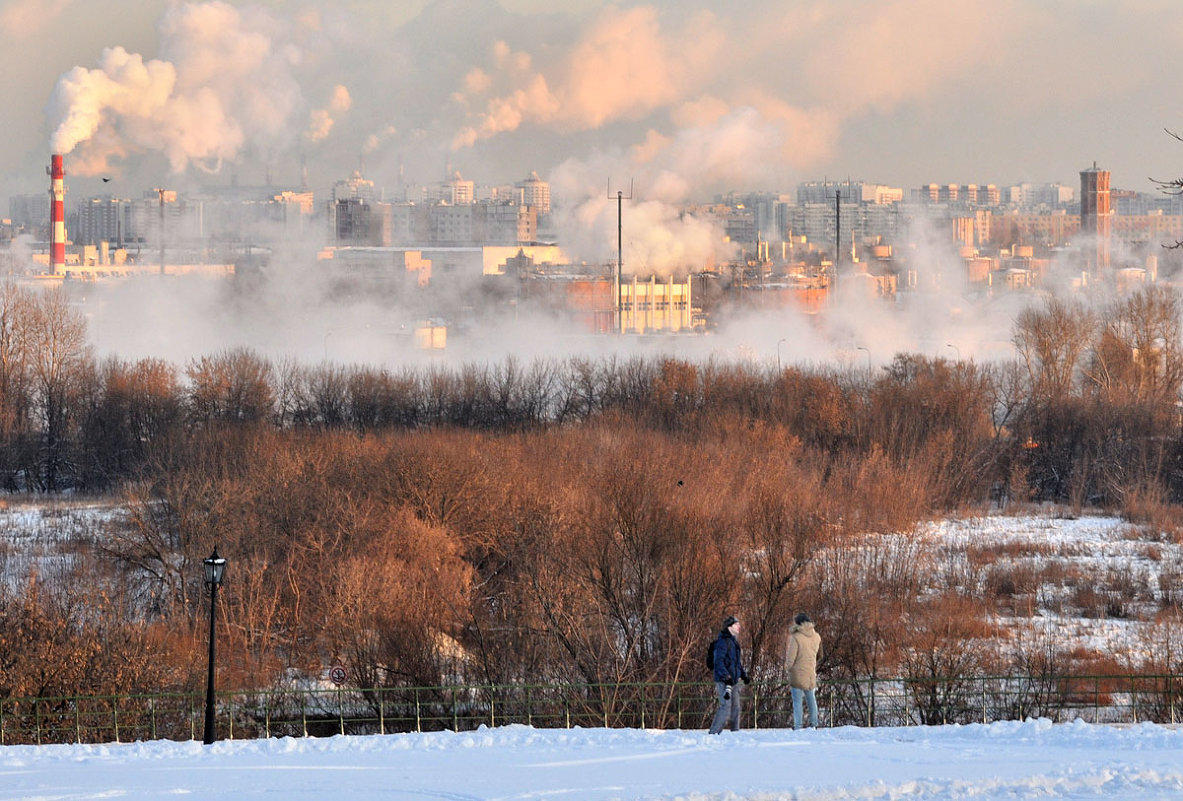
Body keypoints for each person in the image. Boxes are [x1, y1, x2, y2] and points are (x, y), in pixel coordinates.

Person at [708, 615, 750, 734]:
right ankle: (713, 734)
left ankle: (735, 733)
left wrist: (743, 674)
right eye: (736, 624)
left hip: (734, 681)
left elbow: (736, 663)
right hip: (723, 681)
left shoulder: (734, 642)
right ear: (729, 627)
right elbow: (718, 662)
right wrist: (726, 676)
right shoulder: (722, 642)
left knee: (736, 708)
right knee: (725, 707)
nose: (739, 627)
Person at [785, 612, 822, 729]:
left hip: (797, 673)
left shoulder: (796, 637)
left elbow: (791, 657)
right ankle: (814, 723)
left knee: (797, 702)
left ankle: (798, 725)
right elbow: (820, 655)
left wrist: (787, 668)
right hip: (810, 673)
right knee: (811, 700)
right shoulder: (817, 636)